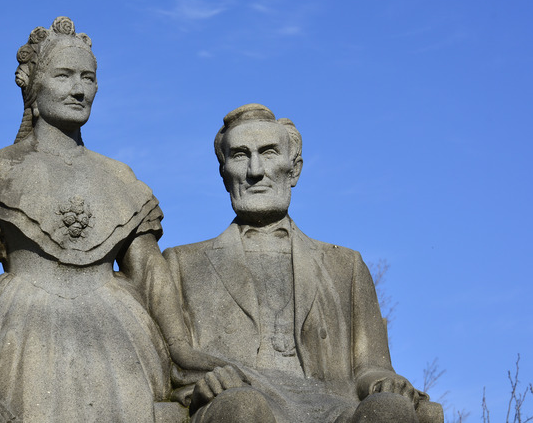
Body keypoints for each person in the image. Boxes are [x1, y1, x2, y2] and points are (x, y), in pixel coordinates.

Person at [0, 17, 227, 423]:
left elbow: (150, 270)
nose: (79, 89)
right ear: (33, 84)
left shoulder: (119, 176)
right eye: (63, 75)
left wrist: (178, 345)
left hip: (120, 332)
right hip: (21, 328)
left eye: (89, 78)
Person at [162, 104, 443, 422]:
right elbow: (172, 362)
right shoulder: (182, 264)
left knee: (389, 409)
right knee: (242, 406)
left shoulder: (345, 266)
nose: (256, 171)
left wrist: (385, 382)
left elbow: (370, 367)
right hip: (240, 402)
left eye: (268, 153)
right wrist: (204, 384)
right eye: (241, 155)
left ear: (294, 169)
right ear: (224, 173)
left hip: (334, 406)